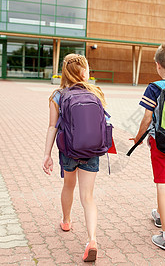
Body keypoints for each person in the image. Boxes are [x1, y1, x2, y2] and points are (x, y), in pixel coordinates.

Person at [42, 54, 106, 262]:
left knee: (69, 186)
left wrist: (47, 154)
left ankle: (67, 221)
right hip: (92, 151)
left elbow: (53, 126)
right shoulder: (95, 93)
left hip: (69, 150)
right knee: (88, 196)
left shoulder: (57, 95)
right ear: (84, 71)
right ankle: (92, 240)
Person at [130, 43, 165, 251]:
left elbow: (147, 117)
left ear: (158, 65)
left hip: (159, 143)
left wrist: (138, 138)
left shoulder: (154, 88)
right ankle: (160, 215)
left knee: (161, 183)